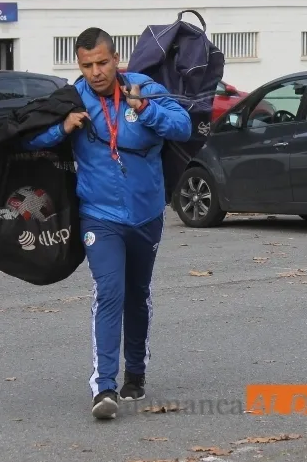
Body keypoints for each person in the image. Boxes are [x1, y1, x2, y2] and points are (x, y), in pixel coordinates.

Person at [24, 27, 191, 420]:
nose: (96, 72)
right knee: (110, 291)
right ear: (78, 65)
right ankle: (104, 387)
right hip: (99, 215)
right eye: (87, 65)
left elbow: (183, 126)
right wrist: (62, 128)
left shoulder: (143, 87)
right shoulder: (72, 98)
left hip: (147, 212)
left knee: (137, 292)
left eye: (102, 62)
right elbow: (29, 139)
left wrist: (146, 109)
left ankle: (136, 370)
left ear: (117, 59)